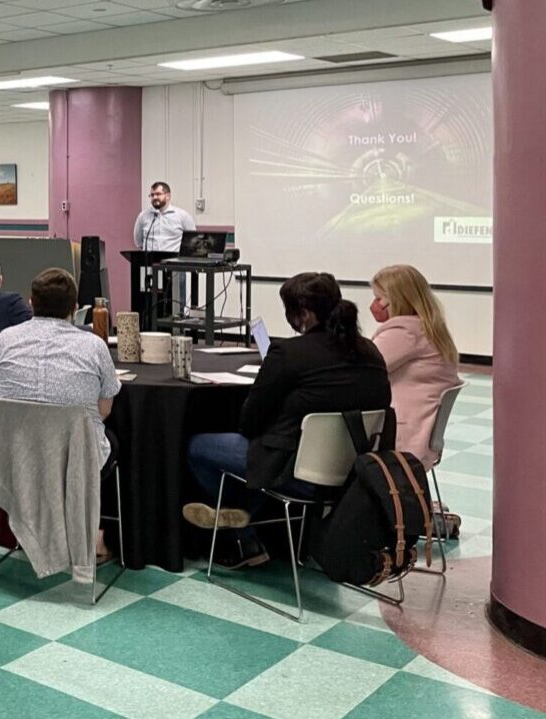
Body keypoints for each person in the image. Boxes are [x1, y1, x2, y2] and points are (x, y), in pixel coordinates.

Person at [183, 272, 390, 570]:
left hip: (295, 471)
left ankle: (243, 527)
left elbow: (249, 421)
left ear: (303, 313)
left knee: (197, 446)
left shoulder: (289, 353)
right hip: (357, 470)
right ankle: (245, 519)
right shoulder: (370, 351)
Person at [0, 268, 120, 561]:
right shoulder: (95, 346)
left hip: (13, 455)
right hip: (74, 457)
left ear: (31, 303)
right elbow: (105, 409)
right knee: (112, 440)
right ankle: (98, 535)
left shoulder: (5, 339)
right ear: (76, 309)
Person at [369, 264, 462, 468]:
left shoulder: (404, 332)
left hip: (400, 433)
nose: (374, 304)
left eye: (379, 298)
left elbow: (365, 369)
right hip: (422, 430)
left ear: (397, 299)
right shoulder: (430, 327)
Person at [133, 181, 196, 252]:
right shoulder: (143, 216)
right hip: (149, 261)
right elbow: (138, 241)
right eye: (152, 195)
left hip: (173, 261)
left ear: (168, 196)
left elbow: (192, 240)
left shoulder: (183, 216)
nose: (154, 197)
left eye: (158, 194)